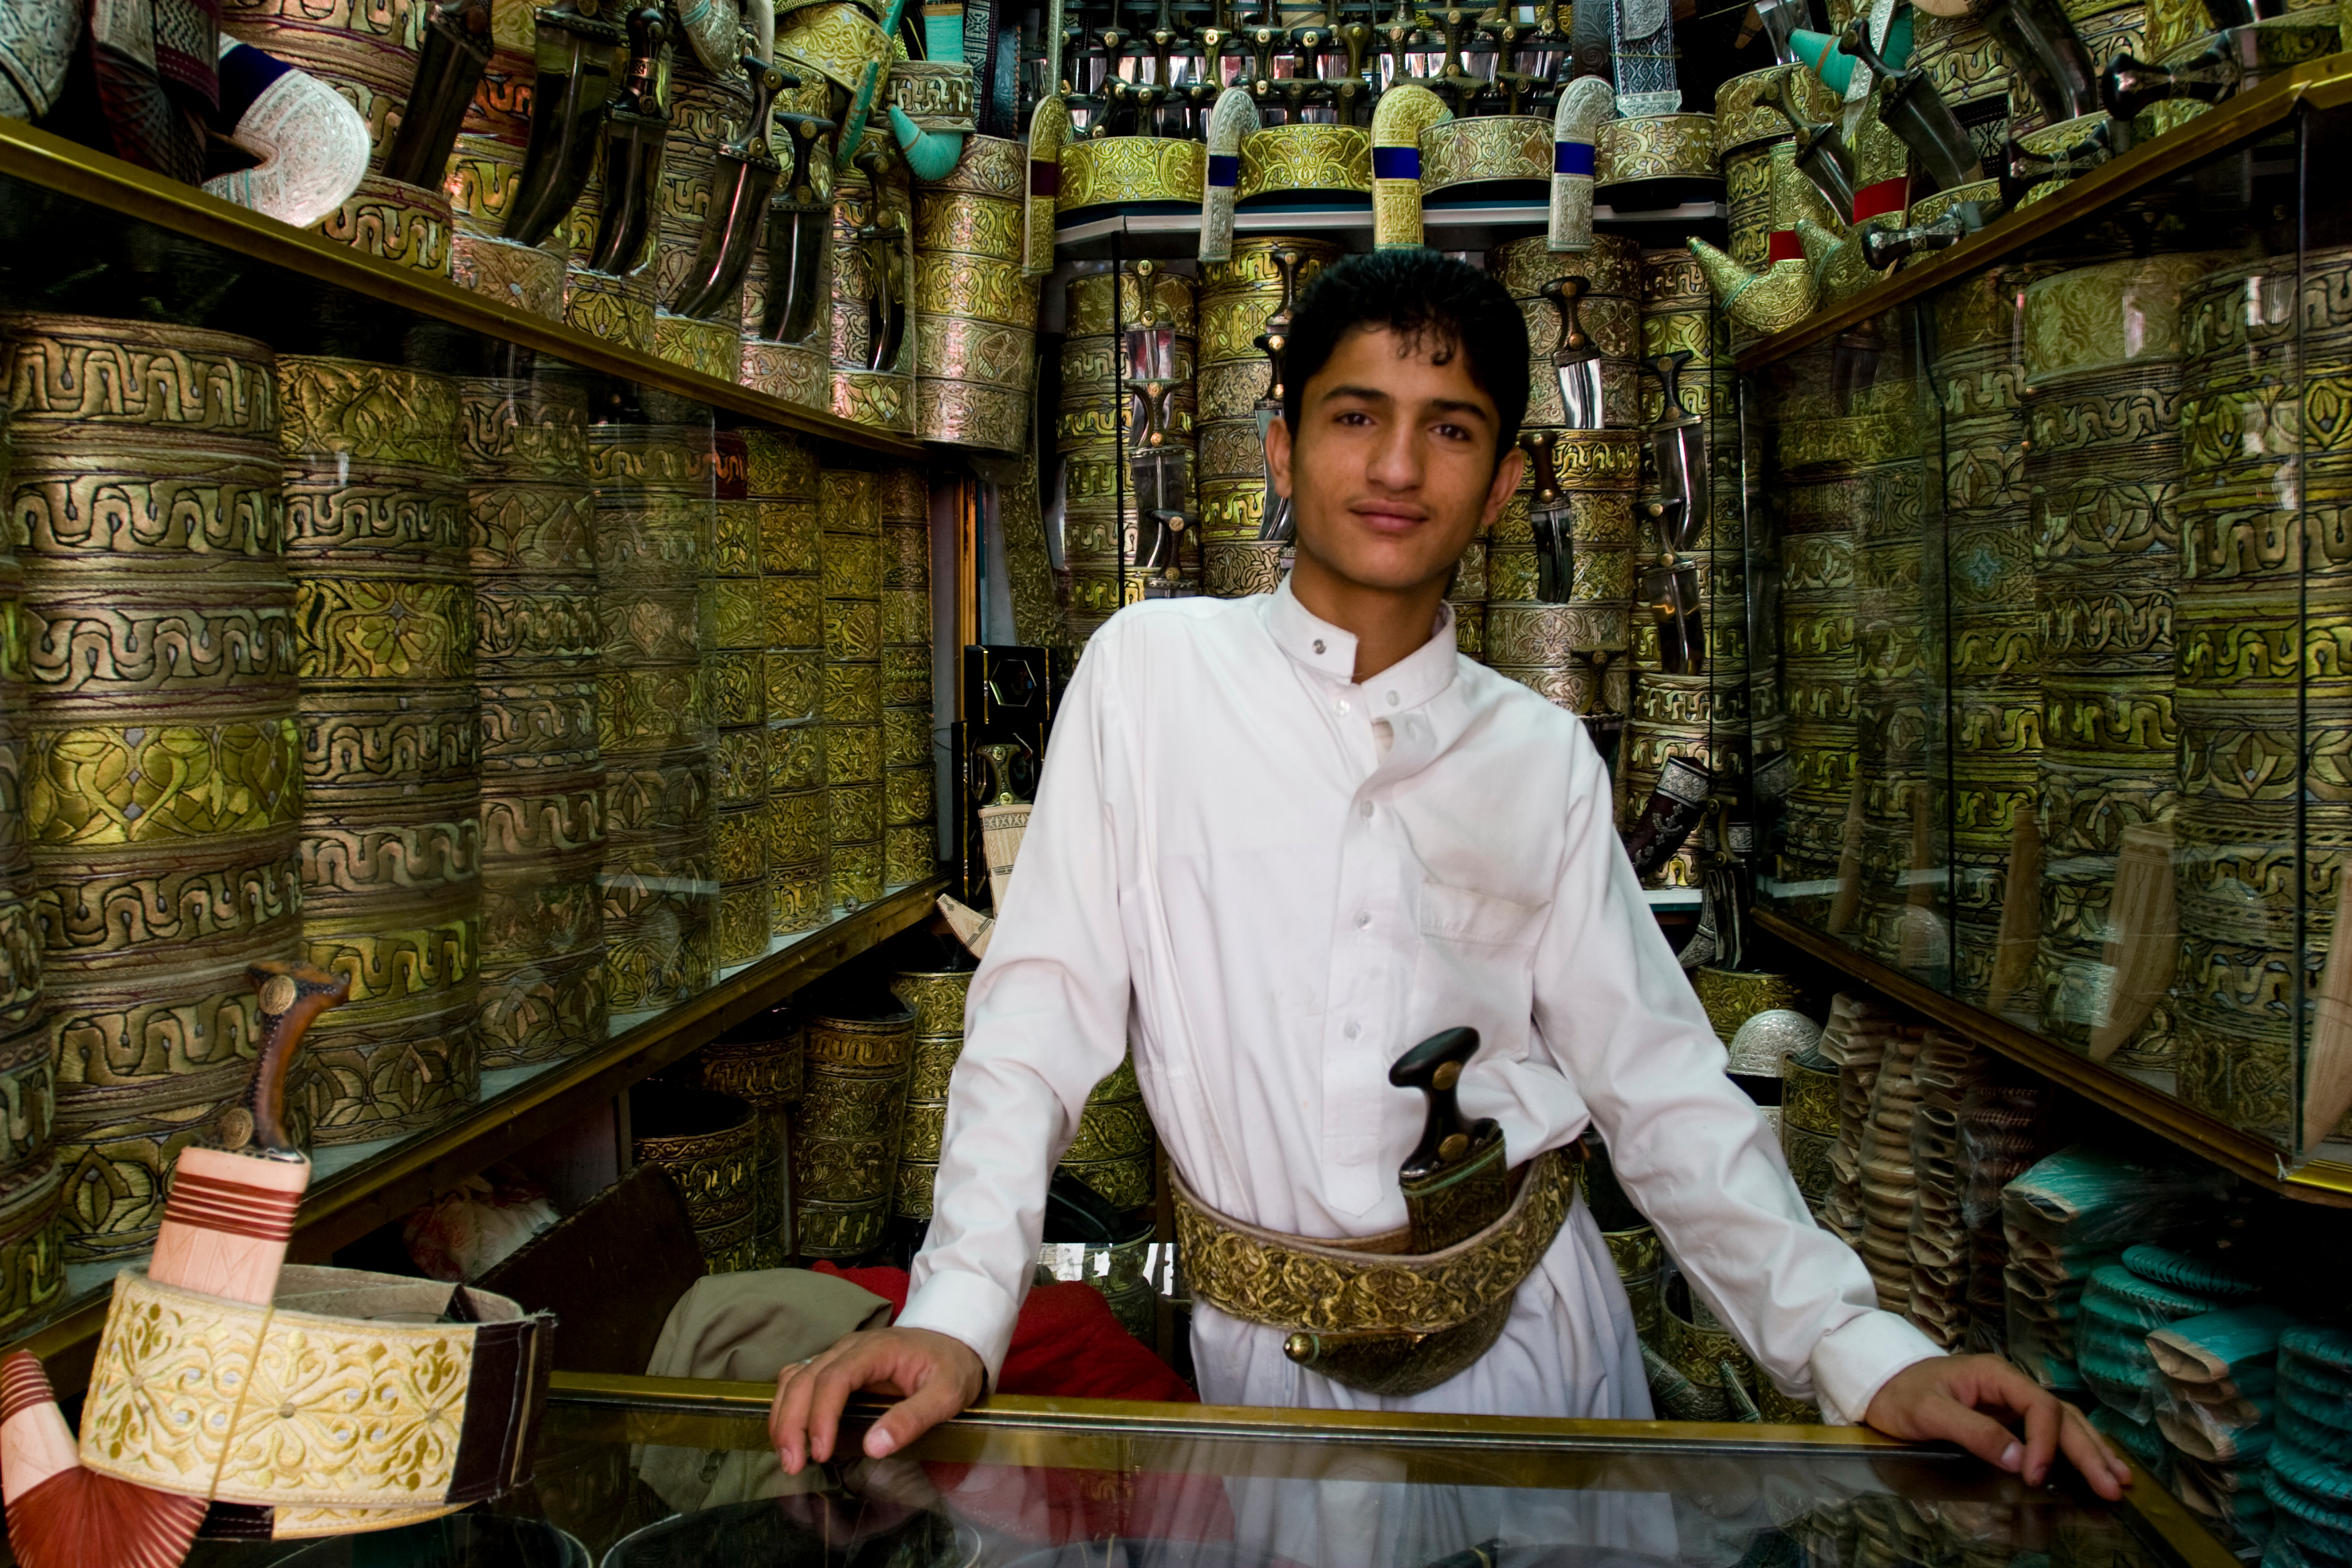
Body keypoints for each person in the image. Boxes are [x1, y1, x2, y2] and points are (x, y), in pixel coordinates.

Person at [769, 250, 2130, 1502]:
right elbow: (1037, 1018)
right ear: (1281, 445)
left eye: (1452, 427)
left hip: (1538, 1358)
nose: (1398, 464)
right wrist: (955, 1315)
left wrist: (1857, 1345)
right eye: (1357, 414)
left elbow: (1655, 1082)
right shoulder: (1150, 679)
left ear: (1501, 479)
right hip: (1265, 1383)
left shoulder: (1538, 755)